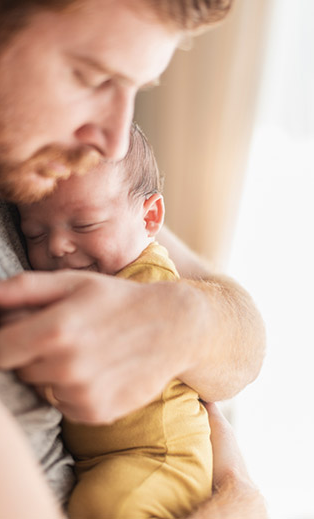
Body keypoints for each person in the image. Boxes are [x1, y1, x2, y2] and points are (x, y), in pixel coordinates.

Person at [0, 0, 266, 517]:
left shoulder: (39, 161)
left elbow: (246, 346)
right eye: (90, 77)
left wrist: (179, 321)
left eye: (135, 89)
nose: (113, 138)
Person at [18, 122, 213, 519]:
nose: (56, 246)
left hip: (161, 458)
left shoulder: (149, 284)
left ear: (149, 217)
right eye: (34, 234)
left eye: (85, 225)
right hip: (104, 459)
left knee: (108, 507)